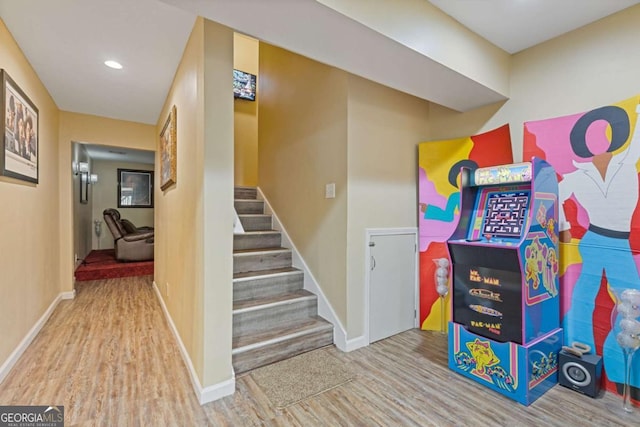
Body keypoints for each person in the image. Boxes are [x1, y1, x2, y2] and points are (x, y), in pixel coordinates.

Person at [560, 103, 640, 397]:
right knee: (582, 299)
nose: (597, 141)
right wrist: (564, 226)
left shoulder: (626, 159)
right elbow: (554, 195)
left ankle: (624, 373)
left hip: (620, 242)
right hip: (592, 240)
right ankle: (580, 355)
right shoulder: (576, 175)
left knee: (632, 304)